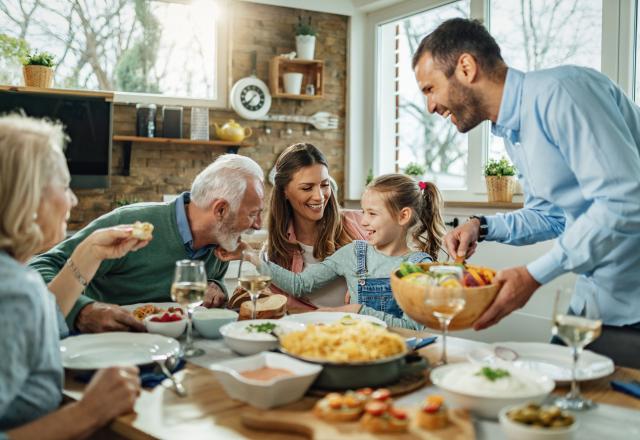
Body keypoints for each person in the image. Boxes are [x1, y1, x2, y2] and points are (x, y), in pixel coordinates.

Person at [412, 18, 640, 366]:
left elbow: (625, 201)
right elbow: (551, 216)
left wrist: (534, 275)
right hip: (594, 303)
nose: (430, 107)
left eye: (430, 89)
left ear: (466, 68)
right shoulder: (513, 131)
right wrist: (481, 226)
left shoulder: (563, 92)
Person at [0, 114, 143, 438]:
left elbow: (40, 325)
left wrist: (90, 252)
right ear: (29, 198)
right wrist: (87, 413)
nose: (73, 200)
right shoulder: (13, 291)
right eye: (65, 186)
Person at [30, 153, 265, 333]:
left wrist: (216, 287)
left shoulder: (222, 241)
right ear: (221, 209)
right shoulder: (131, 223)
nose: (258, 225)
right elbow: (38, 268)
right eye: (253, 213)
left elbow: (208, 289)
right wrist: (82, 310)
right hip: (98, 345)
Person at [263, 174, 446, 329]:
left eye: (372, 214)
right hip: (354, 347)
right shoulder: (353, 253)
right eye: (363, 212)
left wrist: (357, 311)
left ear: (403, 216)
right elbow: (299, 284)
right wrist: (254, 261)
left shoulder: (419, 268)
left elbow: (412, 328)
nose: (363, 221)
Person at [265, 143, 367, 310]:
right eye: (307, 188)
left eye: (325, 185)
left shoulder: (362, 223)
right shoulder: (274, 254)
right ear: (284, 191)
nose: (319, 196)